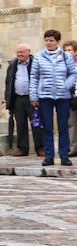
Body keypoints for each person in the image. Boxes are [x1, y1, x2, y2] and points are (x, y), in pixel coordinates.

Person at [29, 29, 76, 166]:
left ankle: (64, 156)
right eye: (47, 40)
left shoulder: (66, 57)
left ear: (57, 42)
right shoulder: (38, 57)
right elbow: (34, 77)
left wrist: (66, 85)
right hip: (45, 96)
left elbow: (73, 74)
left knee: (63, 127)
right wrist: (33, 96)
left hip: (63, 97)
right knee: (48, 127)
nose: (49, 43)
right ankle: (49, 156)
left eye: (52, 40)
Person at [2, 43, 36, 156]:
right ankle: (22, 148)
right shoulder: (12, 65)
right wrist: (7, 99)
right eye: (18, 52)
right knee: (20, 124)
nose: (19, 54)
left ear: (28, 52)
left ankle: (40, 147)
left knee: (36, 123)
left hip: (32, 98)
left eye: (22, 52)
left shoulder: (35, 63)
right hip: (17, 99)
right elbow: (8, 83)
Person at [64, 40, 77, 157]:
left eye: (70, 50)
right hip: (70, 97)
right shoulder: (64, 65)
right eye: (65, 50)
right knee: (71, 124)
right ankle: (73, 149)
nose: (67, 52)